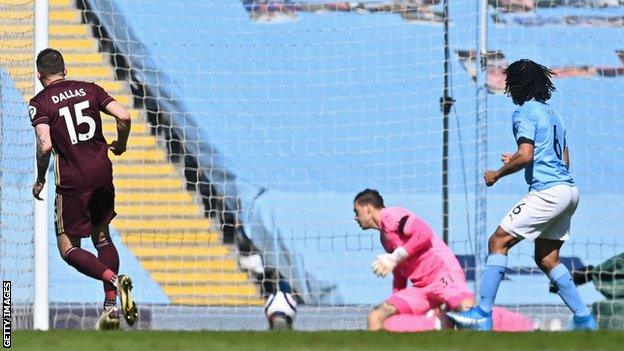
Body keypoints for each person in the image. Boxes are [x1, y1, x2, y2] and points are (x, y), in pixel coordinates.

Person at [447, 59, 596, 330]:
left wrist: (499, 172)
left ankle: (482, 313)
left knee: (497, 241)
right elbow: (562, 158)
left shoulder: (524, 112)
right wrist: (516, 157)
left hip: (548, 191)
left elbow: (526, 156)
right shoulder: (553, 114)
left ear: (516, 85)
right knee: (547, 258)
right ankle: (585, 319)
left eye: (509, 83)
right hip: (569, 191)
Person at [29, 48, 137, 330]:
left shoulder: (40, 103)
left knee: (68, 248)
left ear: (40, 76)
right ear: (65, 70)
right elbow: (124, 116)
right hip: (102, 173)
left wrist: (41, 176)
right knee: (101, 236)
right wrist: (121, 145)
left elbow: (45, 145)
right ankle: (111, 306)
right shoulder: (90, 89)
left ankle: (113, 279)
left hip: (73, 183)